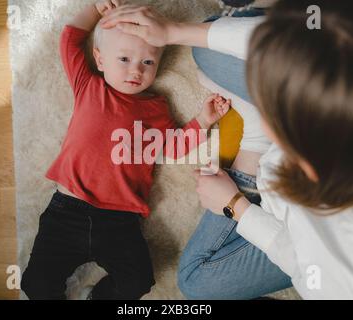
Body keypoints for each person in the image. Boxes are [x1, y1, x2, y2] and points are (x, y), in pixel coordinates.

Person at [101, 0, 353, 299]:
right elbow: (297, 44)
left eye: (276, 112)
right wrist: (175, 30)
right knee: (207, 45)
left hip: (316, 241)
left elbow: (296, 257)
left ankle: (254, 146)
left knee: (195, 282)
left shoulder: (344, 280)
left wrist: (236, 204)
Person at [20, 0, 230, 300]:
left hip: (120, 221)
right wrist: (96, 8)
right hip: (67, 212)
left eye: (148, 62)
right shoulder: (88, 86)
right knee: (35, 285)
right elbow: (70, 38)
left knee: (138, 283)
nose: (136, 70)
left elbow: (171, 147)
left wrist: (203, 120)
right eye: (124, 59)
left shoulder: (155, 108)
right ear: (100, 59)